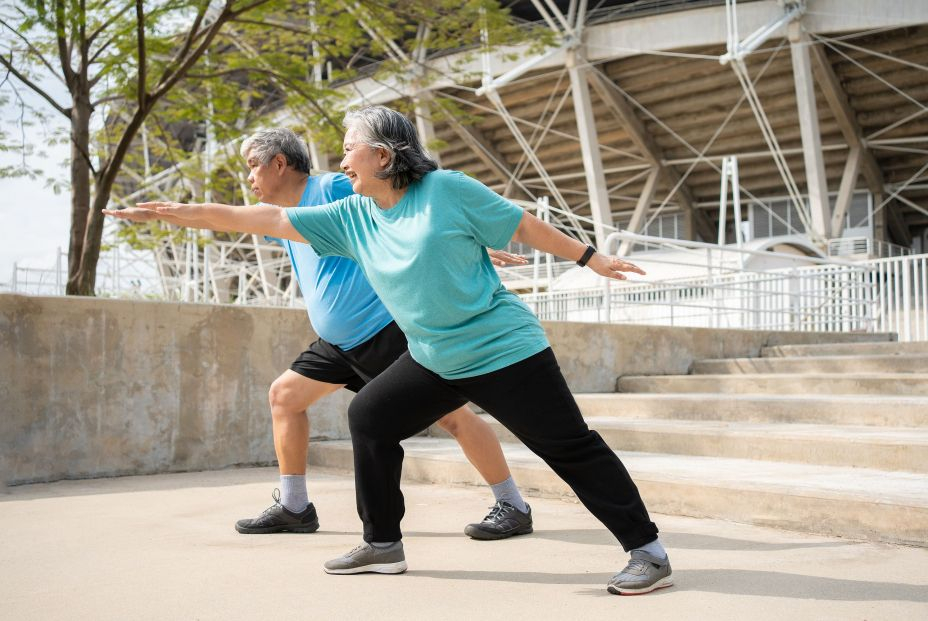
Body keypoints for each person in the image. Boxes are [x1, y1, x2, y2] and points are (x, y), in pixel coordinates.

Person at [105, 106, 673, 596]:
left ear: (382, 154)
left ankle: (647, 551)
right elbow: (271, 217)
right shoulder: (353, 215)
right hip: (434, 355)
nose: (343, 161)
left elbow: (519, 225)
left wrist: (589, 257)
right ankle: (382, 544)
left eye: (351, 150)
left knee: (570, 448)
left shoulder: (446, 190)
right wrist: (175, 212)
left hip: (502, 348)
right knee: (370, 416)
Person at [226, 128, 534, 540]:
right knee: (284, 396)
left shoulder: (333, 186)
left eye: (252, 166)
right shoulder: (284, 215)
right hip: (339, 346)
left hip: (382, 333)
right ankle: (295, 506)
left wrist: (464, 241)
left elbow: (406, 207)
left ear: (279, 164)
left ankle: (512, 504)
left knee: (453, 416)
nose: (249, 178)